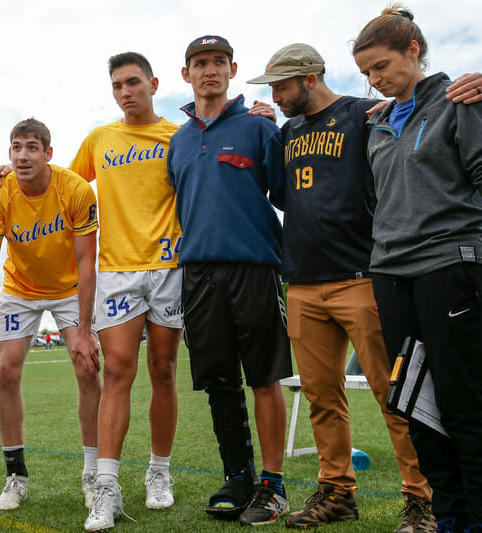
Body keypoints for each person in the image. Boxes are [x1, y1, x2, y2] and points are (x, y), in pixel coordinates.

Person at [0, 52, 184, 531]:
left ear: (154, 84)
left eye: (133, 83)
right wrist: (9, 169)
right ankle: (105, 484)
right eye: (117, 85)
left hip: (168, 264)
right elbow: (62, 182)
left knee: (163, 369)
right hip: (116, 268)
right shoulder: (100, 139)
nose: (125, 92)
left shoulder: (178, 138)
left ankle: (159, 472)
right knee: (116, 371)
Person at [244, 43, 436, 531]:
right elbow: (285, 195)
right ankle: (337, 492)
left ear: (310, 78)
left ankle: (423, 498)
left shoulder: (362, 114)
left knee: (393, 395)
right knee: (320, 396)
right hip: (304, 282)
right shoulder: (286, 132)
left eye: (282, 87)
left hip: (362, 276)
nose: (277, 96)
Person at [352, 6, 482, 533]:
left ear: (413, 51)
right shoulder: (378, 123)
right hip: (391, 275)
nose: (373, 80)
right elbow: (376, 201)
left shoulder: (460, 101)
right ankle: (448, 515)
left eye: (380, 67)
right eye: (365, 73)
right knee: (416, 401)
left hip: (449, 268)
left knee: (462, 400)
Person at [167, 36, 292, 527]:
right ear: (187, 75)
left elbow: (287, 197)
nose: (210, 70)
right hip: (197, 273)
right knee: (219, 379)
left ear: (233, 69)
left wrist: (279, 128)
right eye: (200, 63)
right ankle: (237, 478)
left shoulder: (259, 127)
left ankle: (273, 485)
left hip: (254, 268)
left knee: (262, 376)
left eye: (219, 62)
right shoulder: (178, 140)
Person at [0, 118, 101, 511]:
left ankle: (94, 474)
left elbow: (86, 262)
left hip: (69, 288)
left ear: (48, 153)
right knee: (7, 370)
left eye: (31, 147)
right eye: (16, 147)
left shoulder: (75, 189)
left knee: (86, 366)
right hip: (21, 289)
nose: (22, 155)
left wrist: (83, 330)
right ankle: (16, 475)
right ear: (8, 153)